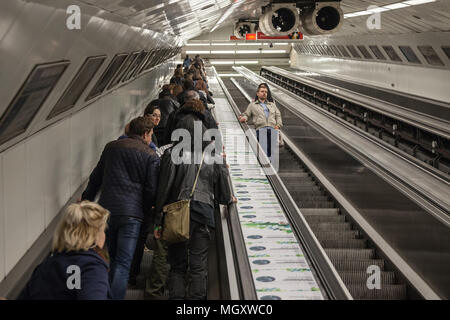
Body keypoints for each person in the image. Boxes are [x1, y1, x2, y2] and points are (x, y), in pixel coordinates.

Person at [153, 99, 234, 300]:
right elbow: (223, 193)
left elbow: (163, 190)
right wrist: (228, 198)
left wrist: (157, 220)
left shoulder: (172, 153)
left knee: (177, 266)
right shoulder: (213, 154)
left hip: (177, 213)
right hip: (203, 214)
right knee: (199, 266)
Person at [81, 116, 159, 300]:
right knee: (123, 264)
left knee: (107, 259)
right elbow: (151, 190)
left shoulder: (111, 147)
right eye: (151, 134)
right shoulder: (151, 155)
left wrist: (86, 200)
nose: (151, 138)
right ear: (146, 133)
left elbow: (96, 178)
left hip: (106, 212)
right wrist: (148, 211)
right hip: (132, 215)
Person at [18, 201, 112, 300]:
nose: (104, 236)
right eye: (103, 231)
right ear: (93, 235)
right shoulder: (91, 268)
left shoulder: (44, 267)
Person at [239, 84, 283, 158]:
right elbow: (247, 114)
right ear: (257, 93)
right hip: (261, 129)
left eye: (266, 92)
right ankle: (266, 165)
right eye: (262, 91)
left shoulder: (272, 105)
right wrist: (244, 118)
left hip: (272, 129)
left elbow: (278, 116)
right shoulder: (252, 105)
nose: (264, 93)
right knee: (264, 150)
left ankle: (269, 165)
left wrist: (278, 125)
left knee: (271, 151)